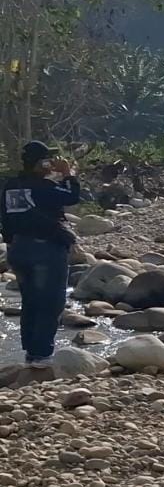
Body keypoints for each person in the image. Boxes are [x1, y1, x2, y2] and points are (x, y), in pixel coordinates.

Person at [0, 141, 80, 368]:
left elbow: (5, 218)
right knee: (50, 302)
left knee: (31, 301)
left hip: (19, 250)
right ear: (38, 163)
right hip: (45, 250)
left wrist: (11, 242)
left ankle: (31, 352)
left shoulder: (10, 185)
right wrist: (68, 174)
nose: (51, 163)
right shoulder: (42, 187)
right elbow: (71, 196)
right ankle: (42, 355)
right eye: (47, 159)